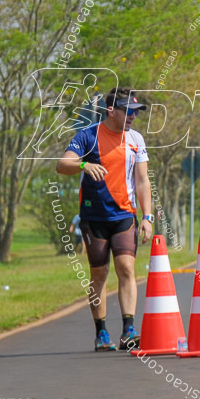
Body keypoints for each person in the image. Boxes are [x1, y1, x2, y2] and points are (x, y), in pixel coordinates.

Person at [57, 87, 153, 351]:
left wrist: (148, 217)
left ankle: (128, 330)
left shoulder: (136, 139)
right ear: (111, 111)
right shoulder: (88, 136)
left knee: (127, 269)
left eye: (136, 111)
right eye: (128, 111)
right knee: (99, 274)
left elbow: (143, 181)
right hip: (94, 217)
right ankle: (101, 333)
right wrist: (83, 165)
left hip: (124, 215)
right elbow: (62, 164)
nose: (133, 116)